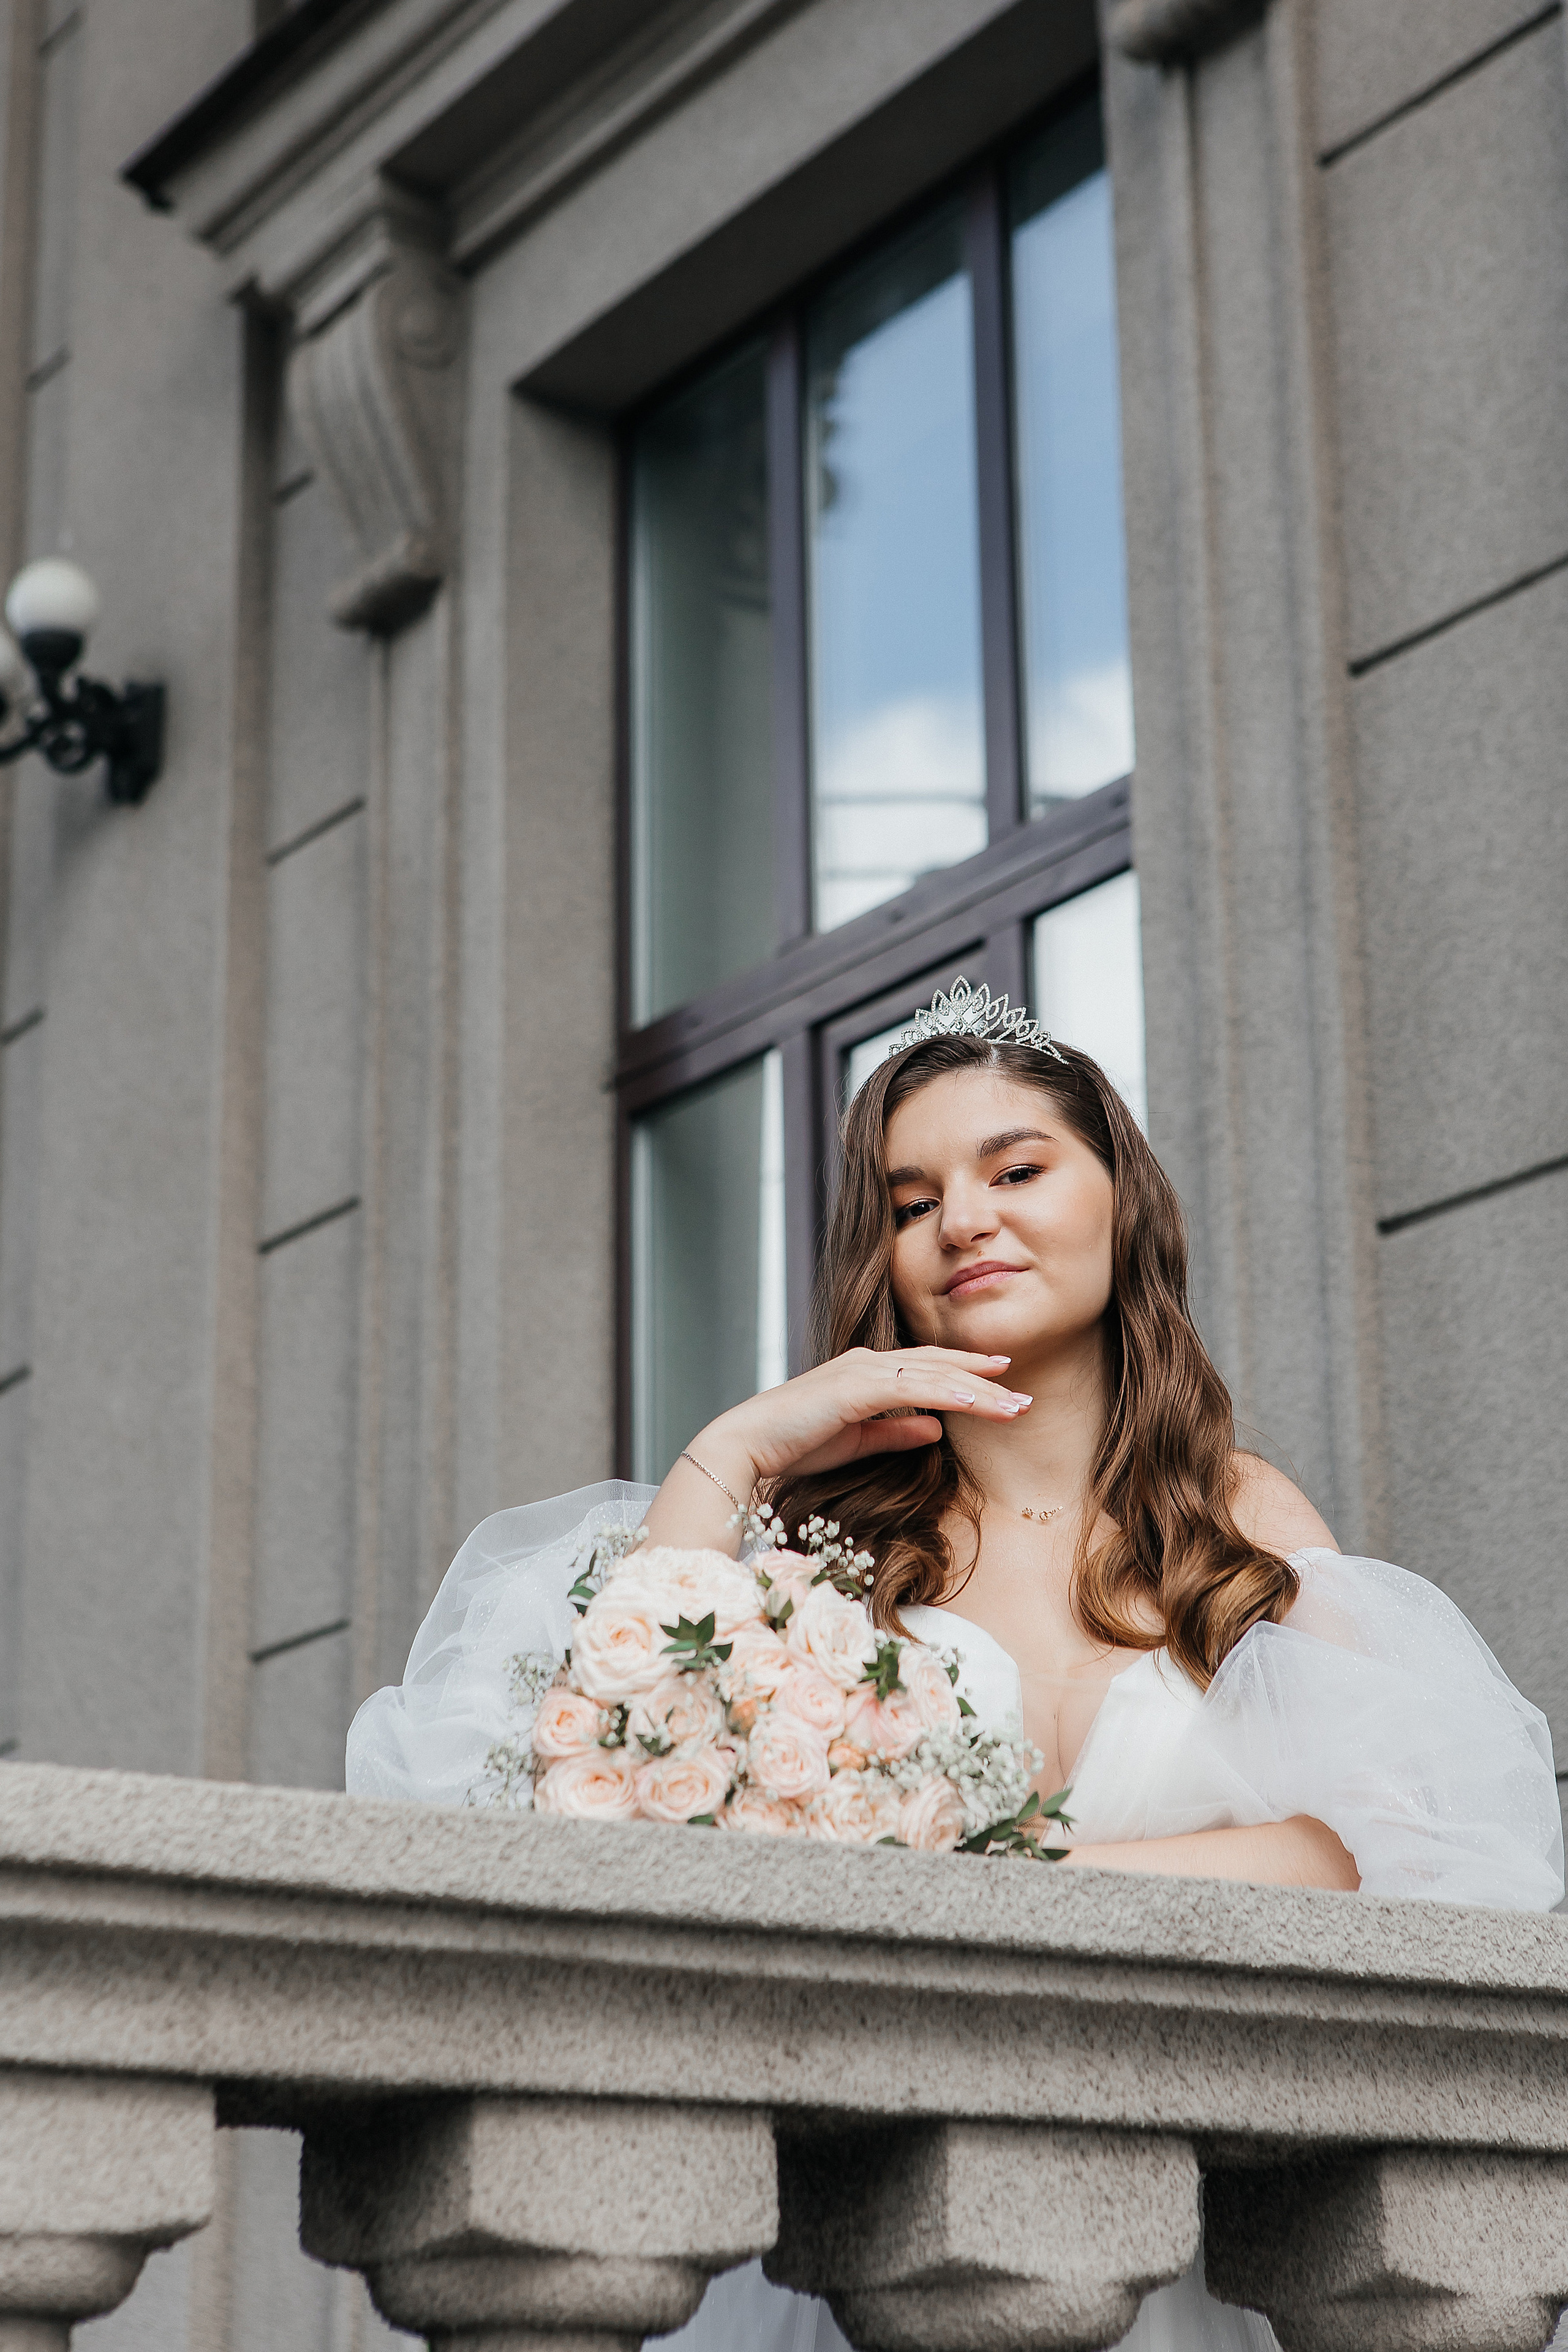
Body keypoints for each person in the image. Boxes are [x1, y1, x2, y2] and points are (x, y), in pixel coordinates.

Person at [347, 981, 1563, 2352]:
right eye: (909, 1202)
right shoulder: (812, 1548)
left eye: (1016, 1169)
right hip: (877, 2218)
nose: (962, 1222)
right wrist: (735, 1452)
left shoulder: (1240, 1520)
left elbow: (1374, 1855)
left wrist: (983, 1883)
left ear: (1120, 1199)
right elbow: (597, 1797)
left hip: (1165, 2225)